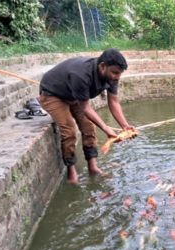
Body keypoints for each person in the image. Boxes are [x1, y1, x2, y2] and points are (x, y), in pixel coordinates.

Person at [39, 48, 136, 184]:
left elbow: (113, 102)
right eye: (114, 73)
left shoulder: (112, 76)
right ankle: (71, 171)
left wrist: (125, 126)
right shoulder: (81, 74)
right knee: (69, 130)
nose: (117, 77)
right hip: (53, 94)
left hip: (74, 95)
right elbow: (85, 107)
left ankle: (93, 167)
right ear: (102, 66)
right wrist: (106, 128)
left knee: (88, 127)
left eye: (119, 74)